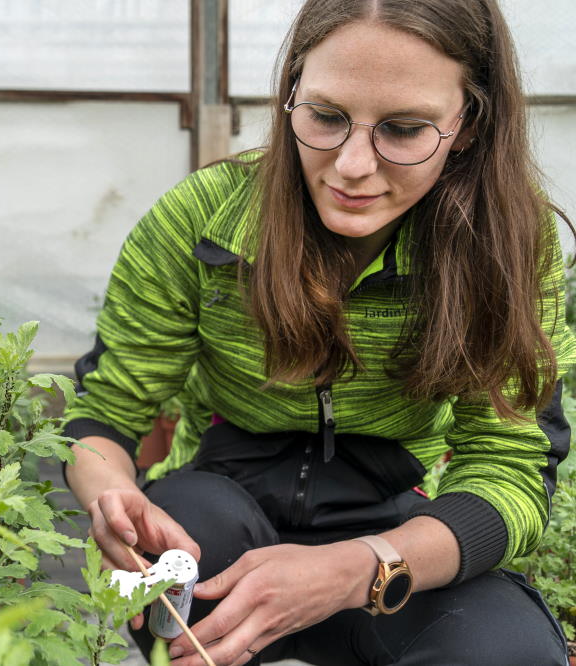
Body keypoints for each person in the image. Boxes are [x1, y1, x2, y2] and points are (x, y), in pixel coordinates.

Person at [61, 0, 576, 664]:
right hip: (220, 510)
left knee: (503, 649)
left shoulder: (504, 245)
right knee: (186, 529)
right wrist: (113, 496)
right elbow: (103, 414)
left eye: (404, 129)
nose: (353, 165)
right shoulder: (202, 220)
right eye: (326, 117)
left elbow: (512, 468)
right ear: (292, 92)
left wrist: (360, 566)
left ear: (468, 124)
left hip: (397, 529)